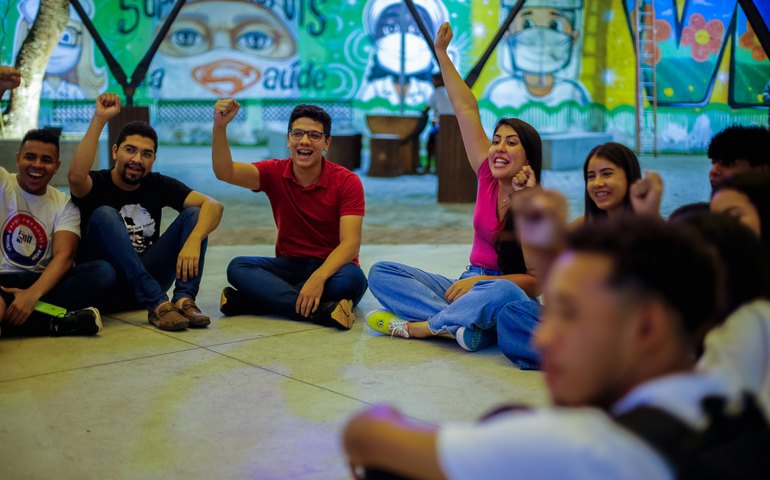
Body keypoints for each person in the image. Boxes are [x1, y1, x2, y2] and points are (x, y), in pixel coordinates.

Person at [344, 215, 743, 479]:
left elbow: (364, 434)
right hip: (463, 291)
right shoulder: (728, 401)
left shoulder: (586, 445)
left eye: (572, 314)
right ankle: (458, 325)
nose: (547, 336)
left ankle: (433, 327)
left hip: (496, 294)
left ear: (646, 327)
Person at [365, 22, 542, 364]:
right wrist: (441, 55)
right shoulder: (488, 176)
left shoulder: (538, 202)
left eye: (511, 142)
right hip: (467, 282)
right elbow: (466, 110)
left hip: (503, 292)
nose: (499, 148)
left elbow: (536, 282)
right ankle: (463, 325)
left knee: (503, 291)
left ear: (529, 155)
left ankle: (427, 327)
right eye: (496, 140)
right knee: (381, 273)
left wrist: (481, 288)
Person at [68, 93, 223, 331]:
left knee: (194, 214)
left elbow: (214, 206)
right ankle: (158, 303)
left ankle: (183, 299)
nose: (137, 159)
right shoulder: (97, 183)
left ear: (153, 159)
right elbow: (76, 177)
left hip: (147, 277)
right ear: (115, 151)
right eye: (130, 150)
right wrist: (100, 118)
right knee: (105, 214)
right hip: (106, 283)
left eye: (146, 154)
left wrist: (193, 240)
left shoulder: (157, 184)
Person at [213, 99, 366, 329]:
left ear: (327, 143)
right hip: (289, 266)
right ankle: (323, 312)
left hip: (334, 269)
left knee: (354, 281)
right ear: (288, 139)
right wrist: (220, 127)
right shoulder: (274, 172)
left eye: (314, 135)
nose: (304, 141)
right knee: (238, 267)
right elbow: (225, 172)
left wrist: (318, 277)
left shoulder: (347, 181)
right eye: (297, 133)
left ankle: (254, 302)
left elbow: (350, 245)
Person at [1, 128, 114, 337]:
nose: (37, 165)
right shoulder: (3, 183)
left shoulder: (64, 204)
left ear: (56, 167)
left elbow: (65, 256)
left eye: (46, 160)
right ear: (18, 158)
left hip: (40, 283)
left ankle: (20, 315)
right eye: (30, 157)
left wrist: (31, 295)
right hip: (2, 279)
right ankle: (58, 322)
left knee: (102, 272)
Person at [570, 142, 643, 226]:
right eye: (591, 176)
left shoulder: (651, 229)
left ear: (629, 175)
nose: (597, 183)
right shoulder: (580, 228)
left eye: (607, 174)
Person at [425, 73, 455, 173]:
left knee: (430, 141)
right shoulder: (451, 92)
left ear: (439, 81)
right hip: (454, 126)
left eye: (434, 80)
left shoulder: (436, 92)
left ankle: (429, 166)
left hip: (441, 126)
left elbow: (426, 109)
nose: (433, 83)